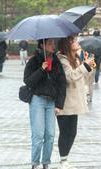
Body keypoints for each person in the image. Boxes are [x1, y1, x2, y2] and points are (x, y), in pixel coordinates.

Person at [24, 39, 66, 169]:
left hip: (51, 102)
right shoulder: (34, 61)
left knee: (50, 135)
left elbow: (62, 83)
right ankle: (35, 164)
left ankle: (46, 163)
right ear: (42, 45)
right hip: (38, 100)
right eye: (50, 44)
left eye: (54, 43)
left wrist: (59, 104)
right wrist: (41, 69)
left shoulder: (56, 61)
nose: (53, 46)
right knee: (38, 135)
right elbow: (28, 81)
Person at [56, 36, 94, 169]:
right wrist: (84, 66)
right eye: (74, 41)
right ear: (67, 44)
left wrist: (89, 66)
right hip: (64, 102)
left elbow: (84, 76)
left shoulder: (76, 58)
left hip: (76, 100)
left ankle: (65, 158)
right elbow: (70, 77)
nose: (77, 42)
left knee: (72, 132)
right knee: (65, 131)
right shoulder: (62, 59)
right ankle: (63, 159)